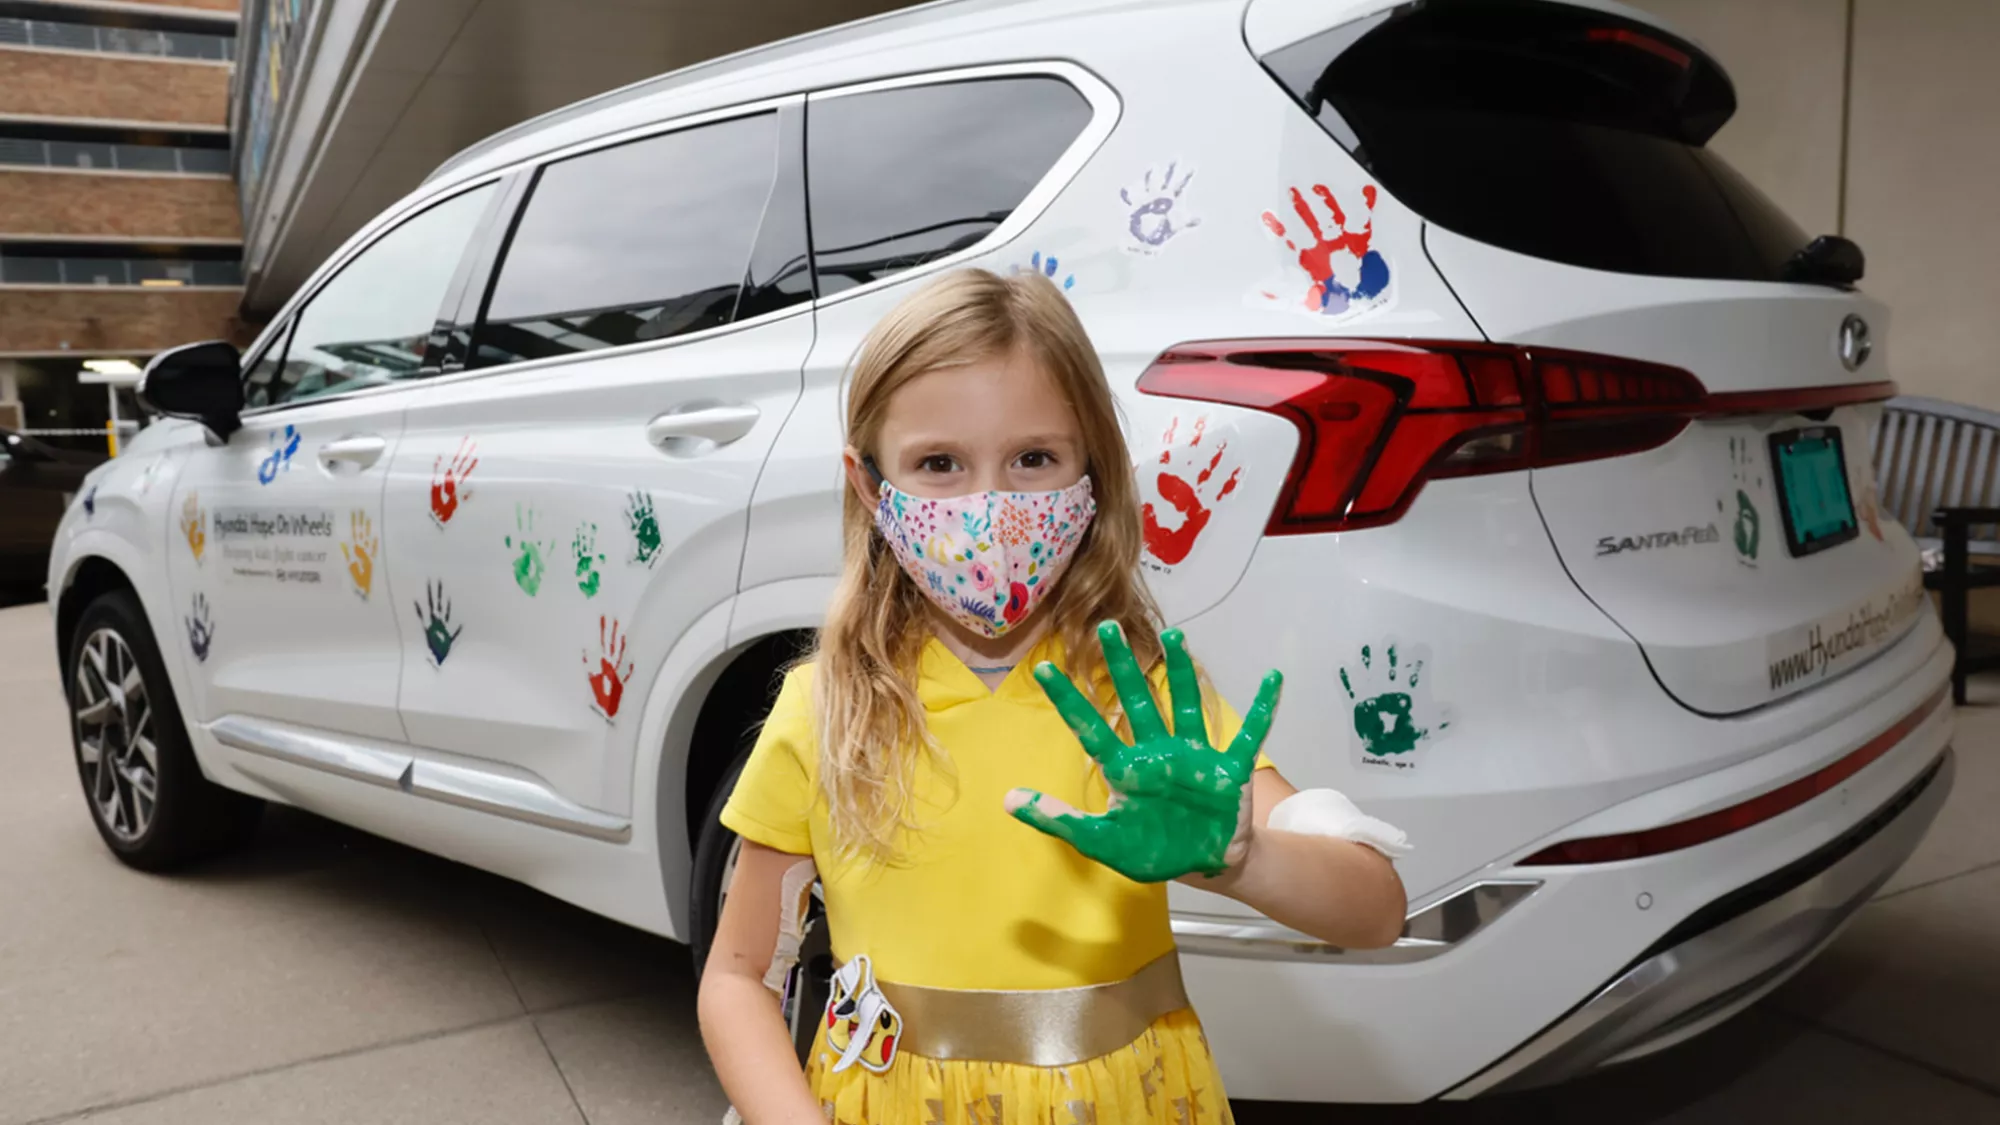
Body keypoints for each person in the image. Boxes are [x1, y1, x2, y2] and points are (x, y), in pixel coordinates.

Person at [697, 268, 1411, 1125]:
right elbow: (739, 977)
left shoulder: (1143, 712)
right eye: (938, 464)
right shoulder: (826, 711)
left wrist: (1246, 857)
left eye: (1034, 458)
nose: (991, 508)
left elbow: (1376, 910)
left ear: (1093, 471)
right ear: (869, 486)